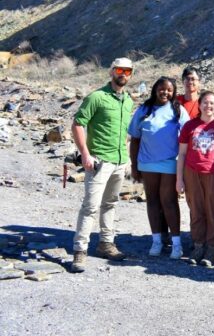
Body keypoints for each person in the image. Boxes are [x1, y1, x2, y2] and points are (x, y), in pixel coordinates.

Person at [70, 58, 135, 273]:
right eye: (119, 70)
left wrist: (126, 158)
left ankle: (106, 243)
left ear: (131, 75)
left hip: (119, 161)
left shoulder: (128, 101)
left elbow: (125, 131)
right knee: (90, 206)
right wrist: (85, 154)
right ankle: (80, 251)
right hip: (99, 161)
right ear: (111, 72)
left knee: (110, 204)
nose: (123, 74)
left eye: (127, 71)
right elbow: (78, 124)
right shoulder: (96, 97)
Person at [128, 76, 189, 260]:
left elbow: (187, 137)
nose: (165, 92)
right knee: (152, 201)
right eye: (162, 89)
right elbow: (135, 139)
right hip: (147, 163)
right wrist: (134, 165)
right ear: (155, 89)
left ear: (174, 92)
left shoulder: (178, 109)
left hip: (170, 162)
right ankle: (156, 241)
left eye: (169, 90)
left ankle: (176, 244)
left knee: (169, 201)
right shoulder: (144, 110)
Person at [176, 91, 214, 267]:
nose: (209, 106)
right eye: (206, 103)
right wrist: (179, 179)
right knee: (196, 210)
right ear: (199, 104)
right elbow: (182, 153)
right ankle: (198, 245)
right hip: (192, 173)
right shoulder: (189, 126)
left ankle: (212, 248)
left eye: (212, 104)